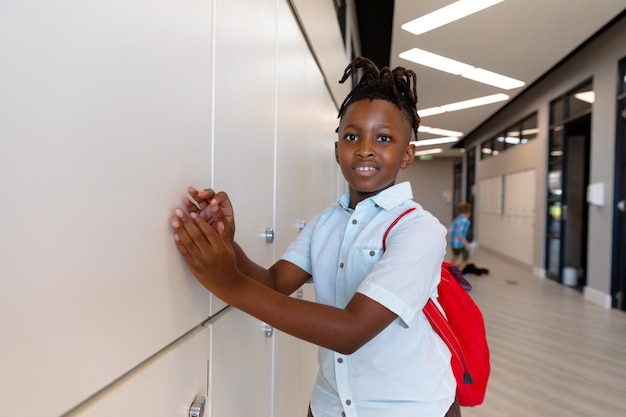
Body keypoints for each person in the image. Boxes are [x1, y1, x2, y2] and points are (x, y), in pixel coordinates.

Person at [169, 57, 460, 417]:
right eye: (351, 136)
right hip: (332, 404)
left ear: (407, 155)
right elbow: (274, 283)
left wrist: (228, 283)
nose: (365, 148)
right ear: (337, 150)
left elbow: (351, 332)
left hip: (411, 407)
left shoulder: (419, 229)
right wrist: (228, 243)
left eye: (383, 138)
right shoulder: (326, 223)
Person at [448, 202, 472, 272]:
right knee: (466, 259)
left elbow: (450, 230)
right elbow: (461, 234)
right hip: (460, 243)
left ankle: (448, 270)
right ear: (468, 212)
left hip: (453, 243)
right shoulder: (465, 221)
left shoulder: (456, 219)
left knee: (455, 256)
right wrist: (466, 244)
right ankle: (458, 272)